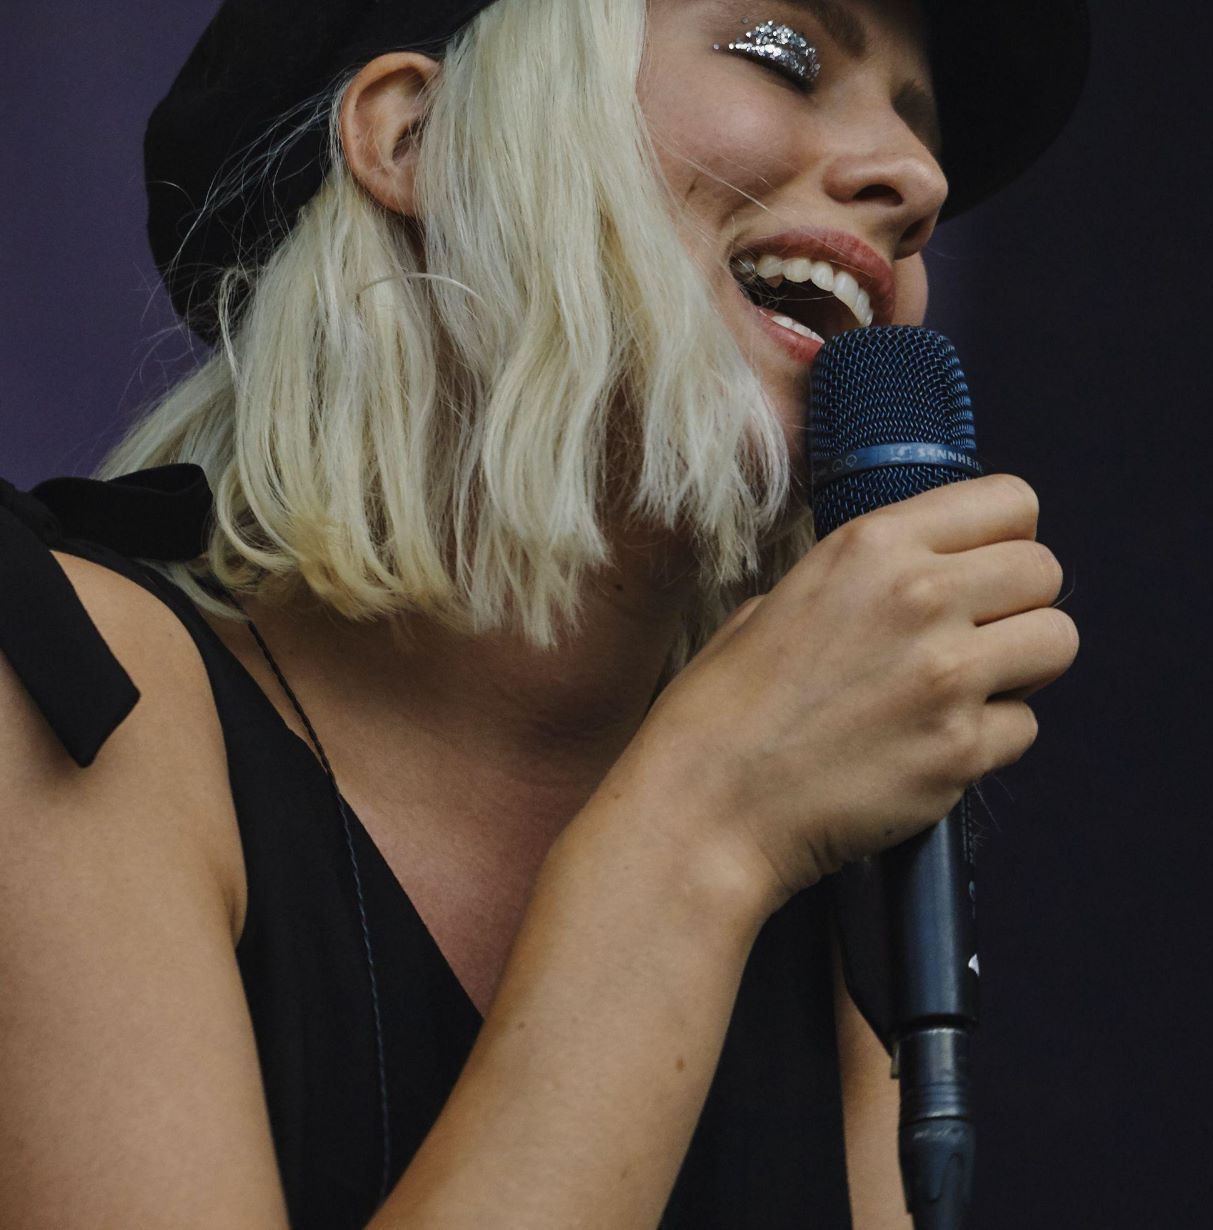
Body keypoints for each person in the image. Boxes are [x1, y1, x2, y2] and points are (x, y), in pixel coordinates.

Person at [0, 0, 1088, 1226]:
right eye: (783, 54)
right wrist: (699, 827)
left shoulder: (829, 848)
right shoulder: (70, 684)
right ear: (417, 140)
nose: (916, 177)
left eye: (913, 120)